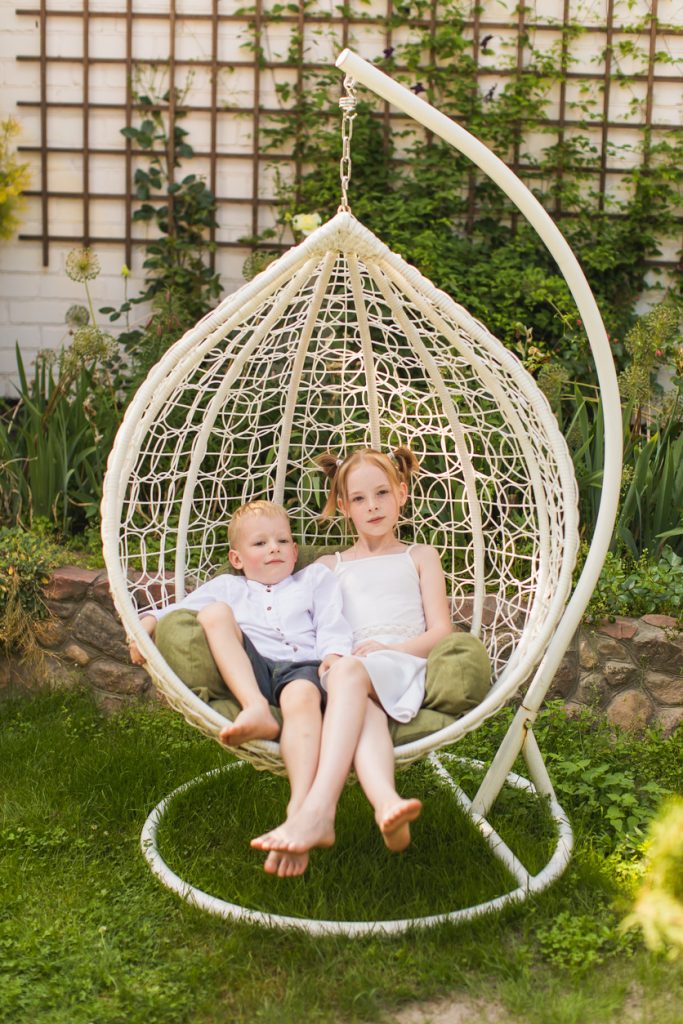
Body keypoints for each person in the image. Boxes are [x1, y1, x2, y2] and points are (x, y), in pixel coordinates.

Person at [252, 447, 453, 871]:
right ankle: (386, 804)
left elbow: (441, 633)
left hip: (400, 664)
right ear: (343, 506)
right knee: (360, 701)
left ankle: (319, 810)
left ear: (402, 492)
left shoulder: (419, 556)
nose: (373, 506)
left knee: (350, 674)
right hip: (350, 676)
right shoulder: (330, 565)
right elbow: (280, 605)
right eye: (359, 498)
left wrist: (388, 650)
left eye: (382, 493)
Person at [129, 500, 353, 876]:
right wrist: (148, 624)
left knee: (301, 698)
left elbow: (333, 621)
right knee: (212, 614)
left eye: (282, 541)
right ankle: (256, 709)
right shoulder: (228, 587)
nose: (274, 549)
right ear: (237, 558)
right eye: (260, 543)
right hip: (254, 669)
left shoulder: (313, 578)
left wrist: (333, 656)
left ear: (295, 551)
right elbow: (180, 610)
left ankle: (299, 809)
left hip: (303, 666)